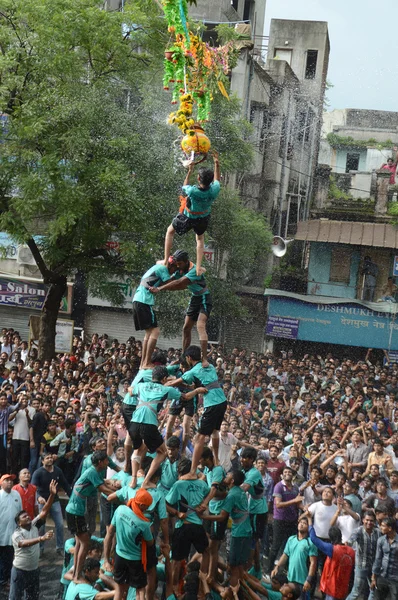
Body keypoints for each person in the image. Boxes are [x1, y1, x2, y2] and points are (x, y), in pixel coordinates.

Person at [129, 365, 205, 489]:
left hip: (133, 423)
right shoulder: (166, 389)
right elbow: (185, 397)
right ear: (164, 378)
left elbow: (130, 390)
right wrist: (197, 391)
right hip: (149, 424)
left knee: (137, 450)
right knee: (163, 452)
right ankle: (146, 481)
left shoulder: (141, 386)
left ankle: (133, 481)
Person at [166, 345, 227, 476]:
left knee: (199, 437)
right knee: (215, 431)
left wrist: (161, 383)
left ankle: (193, 471)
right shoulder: (209, 366)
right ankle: (216, 460)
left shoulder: (191, 372)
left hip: (212, 403)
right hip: (222, 400)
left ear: (188, 358)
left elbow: (174, 383)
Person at [163, 152, 220, 277]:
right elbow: (217, 179)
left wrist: (189, 171)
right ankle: (198, 268)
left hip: (187, 217)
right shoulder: (214, 190)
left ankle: (166, 260)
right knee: (199, 240)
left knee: (170, 231)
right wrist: (216, 163)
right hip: (203, 218)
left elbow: (184, 186)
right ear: (210, 181)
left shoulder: (193, 191)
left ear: (199, 179)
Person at [150, 250, 212, 362]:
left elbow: (179, 282)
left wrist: (159, 289)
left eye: (179, 263)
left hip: (204, 298)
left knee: (200, 325)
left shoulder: (194, 270)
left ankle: (204, 358)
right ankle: (184, 357)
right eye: (176, 264)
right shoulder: (180, 268)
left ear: (186, 261)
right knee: (186, 328)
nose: (177, 266)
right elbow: (170, 280)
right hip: (194, 298)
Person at [65, 450, 116, 582]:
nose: (108, 462)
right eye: (106, 460)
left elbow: (104, 483)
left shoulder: (95, 472)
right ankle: (76, 575)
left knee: (79, 543)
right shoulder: (93, 471)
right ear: (100, 462)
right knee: (85, 543)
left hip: (76, 511)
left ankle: (76, 572)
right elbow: (103, 489)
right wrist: (120, 496)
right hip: (75, 511)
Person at [201, 469, 252, 600]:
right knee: (239, 566)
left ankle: (235, 594)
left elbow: (222, 517)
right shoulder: (239, 490)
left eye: (229, 475)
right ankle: (240, 593)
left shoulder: (231, 495)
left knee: (234, 567)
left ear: (232, 481)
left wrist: (205, 517)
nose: (226, 476)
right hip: (245, 531)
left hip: (239, 533)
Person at [165, 458, 210, 594]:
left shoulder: (178, 484)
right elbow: (208, 496)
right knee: (206, 552)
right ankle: (203, 582)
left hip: (183, 525)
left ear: (179, 471)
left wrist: (176, 513)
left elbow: (166, 504)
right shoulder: (202, 484)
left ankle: (174, 589)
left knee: (177, 560)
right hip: (197, 526)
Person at [9, 479, 57, 600]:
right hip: (20, 571)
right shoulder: (17, 533)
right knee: (15, 597)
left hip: (34, 571)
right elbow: (23, 543)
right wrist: (41, 538)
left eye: (27, 515)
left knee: (33, 597)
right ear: (19, 523)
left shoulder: (34, 525)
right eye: (24, 517)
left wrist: (52, 495)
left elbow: (45, 510)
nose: (28, 517)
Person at [103, 488, 153, 600]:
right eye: (147, 506)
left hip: (119, 556)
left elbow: (110, 533)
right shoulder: (143, 523)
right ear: (141, 505)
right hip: (135, 560)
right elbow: (150, 543)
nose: (148, 509)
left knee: (120, 589)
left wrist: (106, 559)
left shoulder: (120, 510)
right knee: (140, 590)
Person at [131, 259, 177, 369]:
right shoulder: (163, 269)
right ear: (171, 265)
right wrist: (176, 277)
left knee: (148, 333)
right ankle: (147, 362)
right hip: (144, 301)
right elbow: (168, 284)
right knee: (155, 331)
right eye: (175, 268)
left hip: (137, 300)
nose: (174, 271)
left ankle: (143, 364)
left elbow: (158, 264)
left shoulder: (156, 267)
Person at [32, 452, 71, 554]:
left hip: (54, 500)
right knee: (41, 526)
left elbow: (66, 484)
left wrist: (72, 497)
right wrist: (38, 497)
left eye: (51, 457)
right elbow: (33, 489)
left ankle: (60, 547)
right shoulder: (38, 472)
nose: (50, 459)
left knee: (60, 524)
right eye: (47, 458)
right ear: (42, 461)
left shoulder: (58, 471)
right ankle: (40, 548)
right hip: (42, 502)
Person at [308, 513, 355, 600]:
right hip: (344, 588)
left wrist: (310, 520)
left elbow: (313, 538)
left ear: (330, 538)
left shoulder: (332, 549)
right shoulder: (351, 551)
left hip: (332, 587)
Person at [240, 446, 268, 577]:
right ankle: (256, 567)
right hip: (252, 507)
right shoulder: (244, 470)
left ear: (251, 460)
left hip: (259, 509)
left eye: (245, 458)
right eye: (242, 457)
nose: (242, 460)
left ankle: (249, 567)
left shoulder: (254, 473)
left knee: (254, 539)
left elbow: (244, 487)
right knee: (253, 538)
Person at [271, 517, 318, 594]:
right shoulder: (291, 539)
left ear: (309, 527)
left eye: (305, 523)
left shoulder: (310, 543)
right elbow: (285, 555)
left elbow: (313, 563)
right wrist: (277, 566)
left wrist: (308, 580)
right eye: (300, 523)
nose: (301, 524)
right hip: (290, 579)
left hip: (303, 582)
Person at [269, 467, 302, 569]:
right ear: (282, 475)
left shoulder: (296, 487)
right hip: (280, 520)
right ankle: (268, 570)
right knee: (276, 546)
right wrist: (294, 501)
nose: (287, 474)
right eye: (285, 472)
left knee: (290, 546)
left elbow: (297, 503)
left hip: (292, 520)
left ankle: (286, 569)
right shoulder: (278, 486)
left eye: (289, 472)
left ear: (293, 475)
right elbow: (278, 504)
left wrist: (304, 507)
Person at [346, 511, 380, 600]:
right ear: (363, 520)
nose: (369, 523)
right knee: (356, 592)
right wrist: (347, 543)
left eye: (371, 521)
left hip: (374, 568)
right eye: (367, 520)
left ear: (374, 521)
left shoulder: (378, 532)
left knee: (374, 590)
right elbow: (350, 541)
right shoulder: (358, 531)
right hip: (361, 566)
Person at [0, 474, 22, 587]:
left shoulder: (16, 494)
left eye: (11, 480)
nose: (9, 482)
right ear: (1, 483)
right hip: (1, 533)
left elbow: (20, 513)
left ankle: (5, 580)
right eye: (6, 480)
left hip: (12, 534)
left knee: (9, 558)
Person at [372, 516, 398, 600]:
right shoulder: (381, 540)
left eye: (383, 526)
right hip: (382, 576)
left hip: (395, 579)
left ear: (390, 528)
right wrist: (374, 577)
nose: (380, 527)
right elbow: (378, 559)